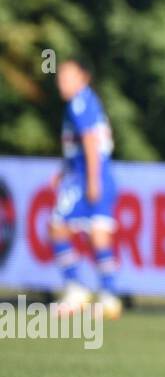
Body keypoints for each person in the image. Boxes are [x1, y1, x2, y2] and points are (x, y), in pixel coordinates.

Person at [50, 56, 122, 319]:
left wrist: (92, 180)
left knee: (57, 226)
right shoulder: (88, 101)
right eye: (60, 76)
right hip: (98, 174)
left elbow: (90, 143)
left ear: (83, 78)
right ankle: (109, 295)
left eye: (68, 77)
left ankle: (77, 288)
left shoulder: (79, 103)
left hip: (87, 177)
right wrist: (63, 171)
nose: (62, 82)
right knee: (99, 234)